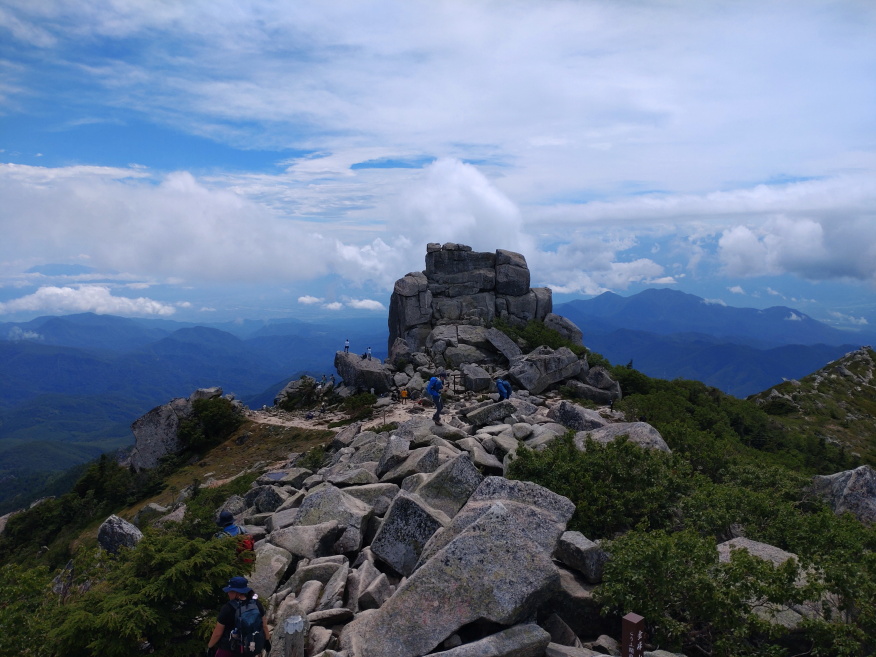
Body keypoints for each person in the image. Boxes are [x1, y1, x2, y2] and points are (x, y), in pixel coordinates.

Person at [207, 576, 270, 657]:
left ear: (236, 592)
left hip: (229, 649)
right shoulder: (256, 604)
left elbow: (217, 633)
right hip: (248, 649)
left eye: (230, 591)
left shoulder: (227, 608)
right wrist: (267, 641)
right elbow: (264, 625)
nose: (228, 593)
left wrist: (210, 647)